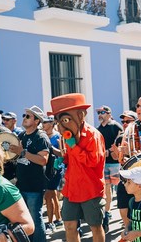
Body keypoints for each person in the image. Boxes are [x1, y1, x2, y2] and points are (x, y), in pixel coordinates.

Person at [49, 93, 106, 242]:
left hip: (90, 189)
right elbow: (71, 158)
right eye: (59, 122)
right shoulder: (67, 137)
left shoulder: (93, 135)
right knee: (68, 225)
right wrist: (63, 158)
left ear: (80, 115)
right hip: (72, 189)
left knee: (95, 226)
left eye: (66, 120)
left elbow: (93, 162)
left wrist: (74, 146)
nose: (61, 127)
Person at [9, 106, 50, 242]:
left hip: (34, 186)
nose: (24, 118)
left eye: (28, 116)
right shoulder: (21, 136)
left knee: (35, 218)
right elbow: (15, 153)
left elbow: (43, 160)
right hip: (21, 184)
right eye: (24, 115)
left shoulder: (41, 137)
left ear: (37, 121)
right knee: (25, 219)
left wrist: (22, 152)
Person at [96, 105, 123, 232]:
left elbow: (121, 141)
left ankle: (124, 215)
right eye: (98, 113)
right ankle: (107, 213)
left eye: (102, 112)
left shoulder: (115, 126)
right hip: (104, 164)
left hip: (116, 163)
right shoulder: (98, 129)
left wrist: (110, 150)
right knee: (107, 188)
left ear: (108, 113)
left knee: (121, 189)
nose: (99, 115)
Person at [110, 110, 138, 228]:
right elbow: (115, 157)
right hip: (124, 175)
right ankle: (128, 229)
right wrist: (117, 153)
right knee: (122, 206)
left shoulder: (139, 136)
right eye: (123, 121)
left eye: (128, 121)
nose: (125, 124)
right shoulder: (120, 137)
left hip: (137, 176)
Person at [42, 115, 64, 234]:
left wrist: (50, 148)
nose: (43, 124)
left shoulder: (58, 136)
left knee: (48, 195)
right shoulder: (42, 135)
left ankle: (50, 223)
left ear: (51, 123)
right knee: (53, 194)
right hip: (45, 169)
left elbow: (62, 154)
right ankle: (58, 218)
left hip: (55, 169)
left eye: (45, 122)